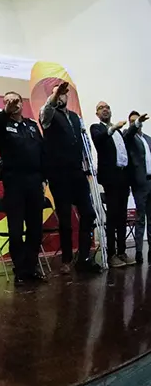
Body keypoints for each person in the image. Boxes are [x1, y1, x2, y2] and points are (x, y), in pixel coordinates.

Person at [40, 81, 100, 274]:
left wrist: (88, 163)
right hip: (59, 174)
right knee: (65, 219)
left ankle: (84, 257)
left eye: (62, 93)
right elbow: (46, 111)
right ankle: (66, 259)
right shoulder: (48, 115)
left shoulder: (75, 117)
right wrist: (54, 96)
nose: (60, 96)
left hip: (77, 172)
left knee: (88, 213)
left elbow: (84, 141)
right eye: (56, 94)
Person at [0, 92, 47, 284]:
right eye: (7, 102)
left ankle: (31, 268)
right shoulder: (2, 125)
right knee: (15, 231)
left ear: (22, 104)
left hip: (34, 182)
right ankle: (20, 271)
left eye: (15, 101)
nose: (12, 104)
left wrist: (44, 177)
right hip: (14, 182)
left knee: (35, 230)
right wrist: (6, 111)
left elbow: (42, 151)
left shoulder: (31, 125)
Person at [90, 102, 135, 267]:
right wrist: (113, 128)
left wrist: (135, 124)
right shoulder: (96, 128)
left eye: (107, 107)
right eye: (101, 108)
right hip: (111, 178)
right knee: (112, 217)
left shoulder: (119, 132)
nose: (105, 109)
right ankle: (111, 254)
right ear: (97, 113)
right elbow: (99, 139)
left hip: (123, 177)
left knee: (122, 216)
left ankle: (122, 252)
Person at [124, 111, 151, 263]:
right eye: (132, 121)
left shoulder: (148, 139)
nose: (136, 123)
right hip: (140, 184)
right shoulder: (129, 137)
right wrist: (136, 123)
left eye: (138, 120)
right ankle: (139, 252)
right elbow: (129, 133)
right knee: (140, 218)